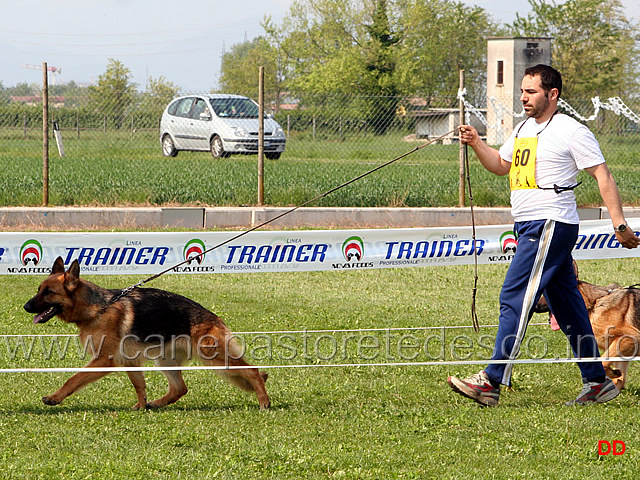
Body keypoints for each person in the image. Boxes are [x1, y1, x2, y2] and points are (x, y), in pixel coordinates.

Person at [449, 64, 640, 407]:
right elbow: (501, 165)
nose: (524, 97)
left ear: (553, 94)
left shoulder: (571, 131)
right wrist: (477, 142)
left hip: (550, 223)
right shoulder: (523, 128)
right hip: (529, 225)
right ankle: (597, 381)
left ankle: (491, 381)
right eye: (523, 91)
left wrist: (619, 224)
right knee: (566, 306)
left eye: (531, 91)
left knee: (515, 295)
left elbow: (603, 175)